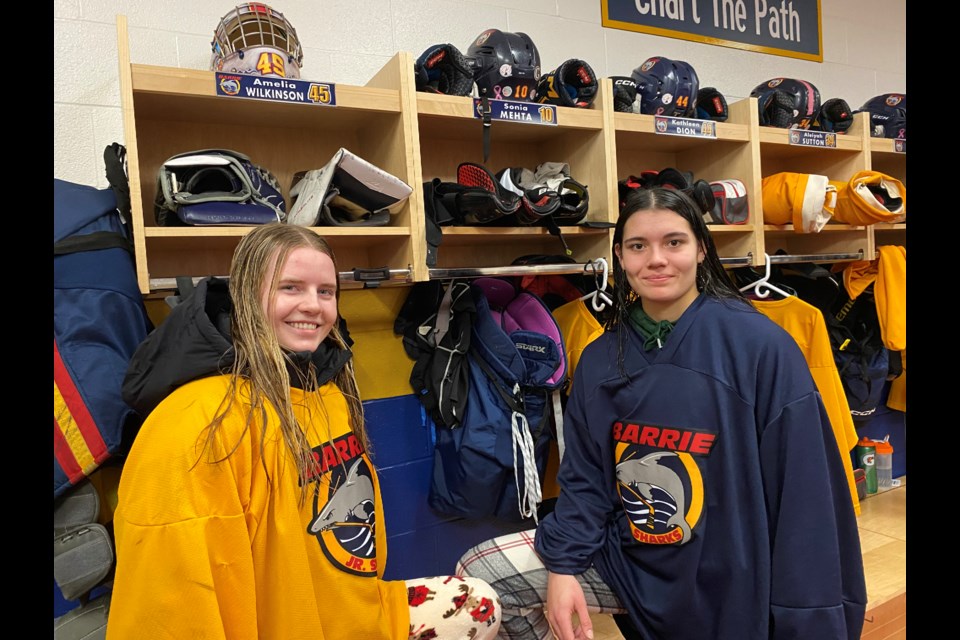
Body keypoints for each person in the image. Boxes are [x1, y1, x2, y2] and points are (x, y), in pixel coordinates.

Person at [455, 186, 866, 640]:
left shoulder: (759, 347)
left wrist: (804, 615)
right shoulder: (600, 358)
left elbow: (804, 494)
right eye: (638, 246)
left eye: (674, 242)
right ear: (620, 256)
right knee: (481, 575)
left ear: (701, 249)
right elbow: (586, 480)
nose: (656, 259)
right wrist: (563, 566)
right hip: (631, 561)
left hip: (736, 570)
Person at [106, 223, 502, 639]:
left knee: (480, 603)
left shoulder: (324, 387)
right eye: (290, 288)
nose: (313, 306)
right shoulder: (195, 422)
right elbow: (170, 610)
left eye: (326, 291)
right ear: (246, 295)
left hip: (353, 618)